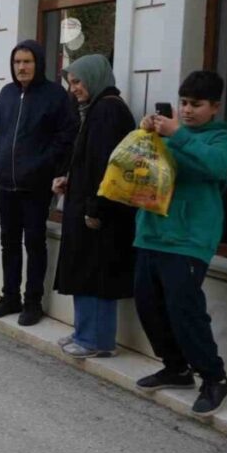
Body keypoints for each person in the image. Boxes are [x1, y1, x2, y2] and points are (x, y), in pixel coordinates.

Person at [133, 70, 227, 417]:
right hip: (152, 233)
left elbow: (214, 166)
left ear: (215, 107)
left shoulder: (222, 140)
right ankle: (176, 368)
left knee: (185, 310)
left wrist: (177, 134)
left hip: (189, 240)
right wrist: (147, 132)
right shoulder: (170, 133)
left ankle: (214, 377)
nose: (188, 110)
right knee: (149, 305)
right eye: (183, 103)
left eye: (196, 104)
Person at [0, 39, 78, 326]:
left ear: (38, 64)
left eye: (27, 61)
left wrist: (44, 166)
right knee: (8, 243)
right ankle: (9, 296)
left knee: (35, 243)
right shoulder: (7, 93)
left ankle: (32, 302)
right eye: (17, 62)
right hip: (6, 184)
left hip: (35, 186)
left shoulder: (55, 96)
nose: (21, 67)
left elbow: (66, 136)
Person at [51, 55, 136, 358]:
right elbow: (90, 162)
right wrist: (69, 182)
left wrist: (94, 208)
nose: (73, 88)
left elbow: (105, 166)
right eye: (71, 83)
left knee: (95, 274)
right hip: (88, 206)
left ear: (94, 78)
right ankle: (84, 332)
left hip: (99, 213)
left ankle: (96, 340)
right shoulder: (98, 108)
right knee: (84, 270)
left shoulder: (108, 110)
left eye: (77, 81)